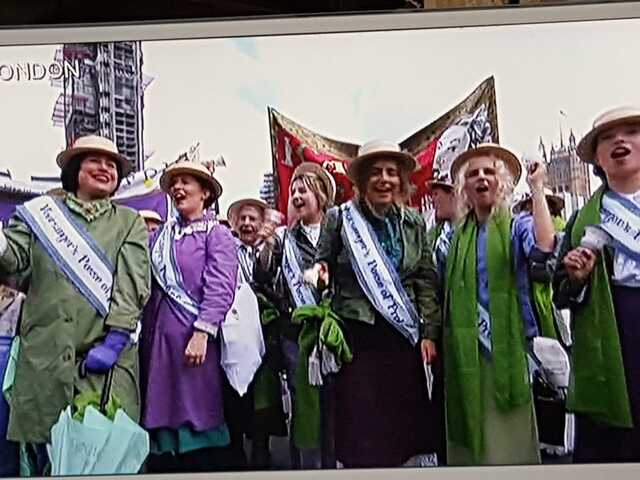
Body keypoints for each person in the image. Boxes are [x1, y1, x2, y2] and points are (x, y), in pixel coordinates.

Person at [0, 135, 151, 476]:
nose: (105, 168)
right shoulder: (38, 216)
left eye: (112, 164)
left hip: (104, 372)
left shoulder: (128, 222)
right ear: (73, 170)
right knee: (43, 461)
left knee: (104, 460)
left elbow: (132, 285)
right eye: (94, 161)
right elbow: (13, 264)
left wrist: (115, 341)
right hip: (44, 365)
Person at [307, 139, 443, 468]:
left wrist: (429, 331)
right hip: (359, 338)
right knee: (363, 427)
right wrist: (320, 275)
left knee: (403, 425)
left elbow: (424, 279)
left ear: (401, 181)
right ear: (363, 180)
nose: (384, 179)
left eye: (392, 173)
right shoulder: (340, 219)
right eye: (376, 172)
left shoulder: (413, 222)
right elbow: (318, 267)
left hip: (402, 337)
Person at [444, 143, 555, 466]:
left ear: (502, 182)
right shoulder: (455, 238)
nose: (481, 178)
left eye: (489, 172)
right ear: (464, 187)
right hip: (467, 355)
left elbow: (545, 248)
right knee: (473, 439)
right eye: (473, 174)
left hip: (506, 353)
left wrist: (537, 189)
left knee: (507, 442)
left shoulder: (516, 226)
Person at [553, 106, 640, 462]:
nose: (619, 139)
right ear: (598, 159)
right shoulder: (579, 221)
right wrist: (574, 278)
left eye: (632, 131)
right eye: (607, 137)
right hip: (610, 339)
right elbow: (559, 291)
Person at [140, 159, 239, 473]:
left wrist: (202, 333)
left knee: (197, 412)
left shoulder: (216, 234)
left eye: (187, 182)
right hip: (159, 341)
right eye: (175, 183)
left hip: (194, 340)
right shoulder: (161, 237)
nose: (178, 188)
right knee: (162, 416)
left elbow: (221, 286)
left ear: (205, 192)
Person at [266, 162, 336, 469]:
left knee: (334, 406)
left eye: (303, 189)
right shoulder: (282, 239)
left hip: (333, 336)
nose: (296, 195)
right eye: (293, 190)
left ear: (320, 195)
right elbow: (263, 275)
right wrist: (266, 243)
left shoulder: (338, 231)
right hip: (296, 338)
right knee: (303, 406)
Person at [224, 197, 287, 470]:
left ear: (261, 223)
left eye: (253, 219)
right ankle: (236, 450)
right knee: (235, 394)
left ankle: (262, 449)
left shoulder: (272, 249)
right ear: (235, 225)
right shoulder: (226, 249)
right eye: (243, 219)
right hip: (235, 334)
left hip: (266, 331)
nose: (248, 224)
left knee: (264, 395)